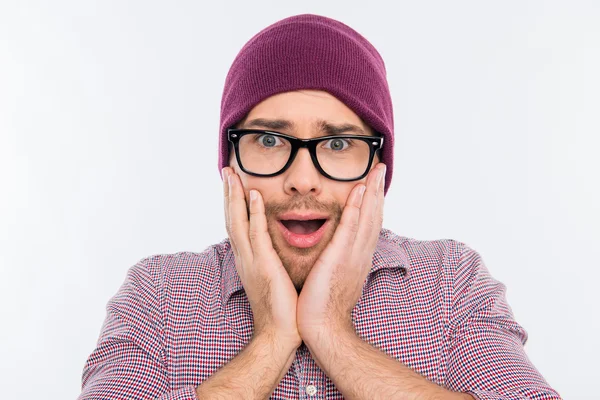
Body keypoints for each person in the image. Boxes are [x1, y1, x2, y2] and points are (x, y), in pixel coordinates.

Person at [79, 14, 561, 400]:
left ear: (379, 170)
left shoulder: (450, 278)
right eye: (269, 139)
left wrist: (330, 330)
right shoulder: (159, 293)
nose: (302, 180)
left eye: (337, 144)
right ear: (229, 165)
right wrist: (271, 341)